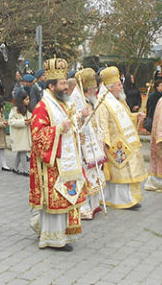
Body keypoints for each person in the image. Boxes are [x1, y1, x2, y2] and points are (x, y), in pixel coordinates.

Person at [29, 58, 85, 251]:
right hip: (52, 163)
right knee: (55, 200)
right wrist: (59, 129)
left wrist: (80, 119)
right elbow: (37, 136)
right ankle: (53, 238)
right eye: (62, 84)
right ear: (51, 86)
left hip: (67, 161)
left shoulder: (63, 104)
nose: (66, 87)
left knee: (67, 197)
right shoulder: (43, 107)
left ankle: (61, 233)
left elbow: (72, 127)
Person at [97, 66, 147, 209]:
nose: (121, 87)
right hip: (115, 145)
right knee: (120, 173)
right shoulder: (103, 103)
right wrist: (105, 145)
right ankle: (121, 200)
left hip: (126, 142)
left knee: (129, 172)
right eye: (118, 84)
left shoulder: (119, 99)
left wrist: (137, 116)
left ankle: (131, 198)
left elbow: (126, 117)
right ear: (110, 87)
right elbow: (102, 125)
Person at [69, 68, 106, 219]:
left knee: (94, 174)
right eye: (93, 89)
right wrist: (80, 116)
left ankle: (94, 204)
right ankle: (84, 207)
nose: (95, 91)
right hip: (82, 146)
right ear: (86, 89)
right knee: (84, 176)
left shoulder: (90, 100)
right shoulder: (74, 100)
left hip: (93, 144)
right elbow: (71, 120)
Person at [8, 89, 33, 176]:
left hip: (25, 134)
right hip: (18, 134)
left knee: (21, 151)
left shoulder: (27, 110)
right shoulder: (15, 110)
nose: (28, 101)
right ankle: (25, 170)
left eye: (28, 99)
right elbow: (10, 121)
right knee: (23, 151)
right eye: (26, 99)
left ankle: (15, 167)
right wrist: (23, 122)